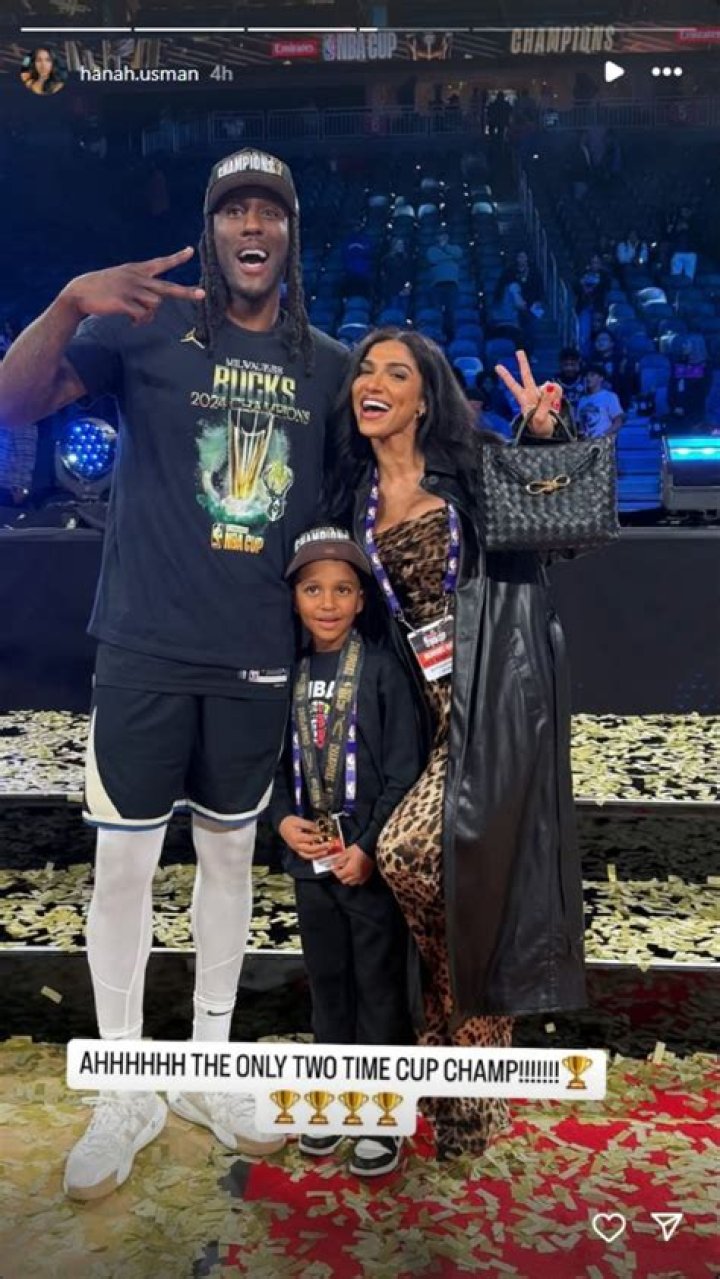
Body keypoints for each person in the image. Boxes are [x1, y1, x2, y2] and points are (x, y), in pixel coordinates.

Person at [0, 149, 350, 1198]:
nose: (252, 226)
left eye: (269, 211)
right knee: (123, 869)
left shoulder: (326, 364)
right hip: (144, 646)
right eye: (234, 209)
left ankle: (205, 1063)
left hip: (255, 655)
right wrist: (69, 302)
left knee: (232, 861)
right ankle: (123, 1086)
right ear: (210, 229)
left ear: (290, 233)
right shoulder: (142, 328)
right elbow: (13, 403)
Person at [324, 330, 586, 1160]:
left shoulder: (469, 466)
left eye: (395, 372)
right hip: (419, 707)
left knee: (410, 854)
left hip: (498, 693)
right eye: (365, 369)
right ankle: (459, 1061)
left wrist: (543, 436)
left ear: (424, 398)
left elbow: (561, 528)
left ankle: (464, 1049)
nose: (374, 382)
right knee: (453, 885)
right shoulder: (351, 493)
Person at [270, 526, 422, 1176]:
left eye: (341, 590)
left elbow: (405, 770)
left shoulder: (383, 672)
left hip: (367, 865)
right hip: (311, 864)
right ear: (294, 597)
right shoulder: (286, 673)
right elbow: (269, 765)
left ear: (361, 599)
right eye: (313, 589)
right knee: (328, 985)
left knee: (378, 987)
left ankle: (382, 1112)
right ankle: (332, 1100)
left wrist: (367, 846)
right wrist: (282, 820)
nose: (327, 603)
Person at [577, 364, 624, 437]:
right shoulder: (582, 400)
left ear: (601, 378)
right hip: (586, 442)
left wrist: (603, 435)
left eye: (592, 375)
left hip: (604, 441)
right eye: (586, 376)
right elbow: (580, 424)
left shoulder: (609, 397)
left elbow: (618, 422)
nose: (588, 378)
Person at [554, 346, 585, 415]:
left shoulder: (586, 381)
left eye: (572, 364)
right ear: (561, 365)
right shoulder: (554, 382)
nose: (569, 368)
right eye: (566, 365)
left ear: (578, 364)